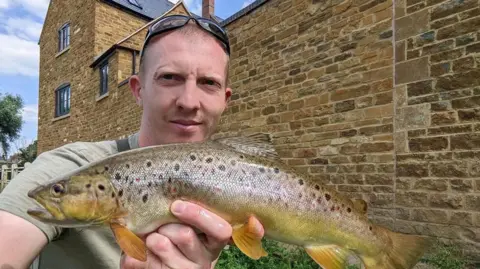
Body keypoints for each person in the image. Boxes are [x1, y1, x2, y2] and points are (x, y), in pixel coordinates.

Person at [0, 15, 264, 269]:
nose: (189, 102)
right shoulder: (68, 167)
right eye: (170, 77)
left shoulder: (231, 179)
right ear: (138, 90)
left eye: (208, 83)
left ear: (224, 100)